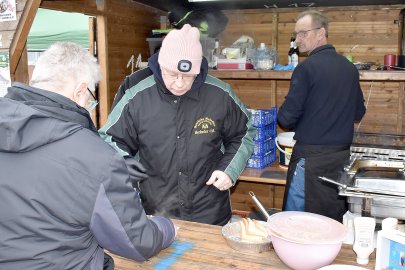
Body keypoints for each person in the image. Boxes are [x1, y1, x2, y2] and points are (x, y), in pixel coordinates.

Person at [0, 42, 175, 270]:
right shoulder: (94, 155)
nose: (89, 104)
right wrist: (165, 227)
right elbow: (137, 241)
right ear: (80, 90)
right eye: (90, 96)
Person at [99, 24, 255, 226]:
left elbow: (244, 133)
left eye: (188, 76)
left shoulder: (220, 95)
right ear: (160, 66)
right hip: (157, 210)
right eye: (172, 74)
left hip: (210, 210)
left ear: (198, 71)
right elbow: (109, 138)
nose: (180, 83)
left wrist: (228, 169)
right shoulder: (136, 97)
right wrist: (124, 162)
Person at [277, 10, 366, 222]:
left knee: (296, 222)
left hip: (310, 160)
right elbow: (358, 111)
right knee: (330, 219)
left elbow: (286, 119)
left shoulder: (305, 68)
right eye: (296, 34)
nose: (298, 39)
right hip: (340, 159)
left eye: (303, 33)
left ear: (321, 33)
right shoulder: (349, 68)